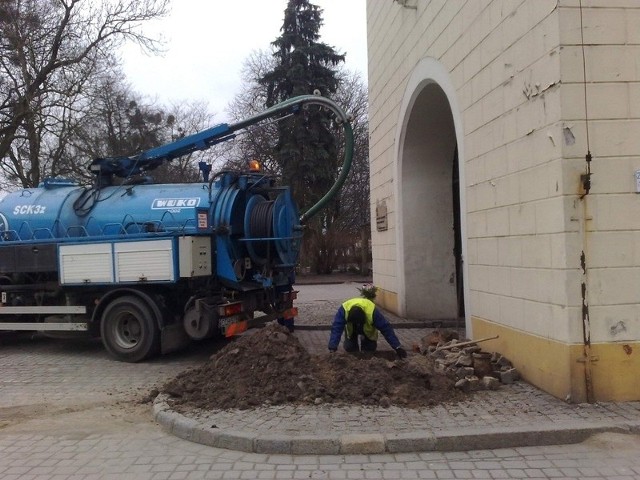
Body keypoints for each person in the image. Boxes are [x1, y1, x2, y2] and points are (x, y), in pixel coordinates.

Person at [328, 297, 408, 359]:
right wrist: (333, 347)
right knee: (350, 347)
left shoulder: (373, 312)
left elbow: (386, 329)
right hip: (351, 329)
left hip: (368, 331)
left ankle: (366, 359)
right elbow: (336, 329)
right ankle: (353, 361)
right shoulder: (344, 310)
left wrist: (397, 347)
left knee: (369, 350)